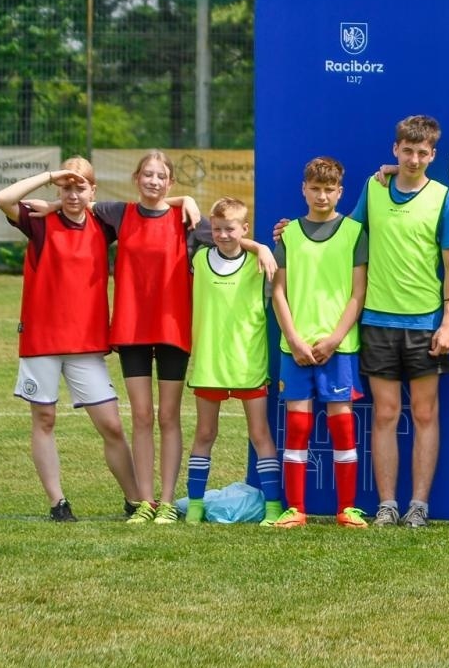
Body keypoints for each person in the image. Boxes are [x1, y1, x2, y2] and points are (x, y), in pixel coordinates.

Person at [0, 160, 143, 521]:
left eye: (81, 188)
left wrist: (185, 201)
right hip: (41, 340)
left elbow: (149, 207)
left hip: (86, 344)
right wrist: (49, 178)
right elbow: (2, 197)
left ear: (93, 192)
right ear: (57, 190)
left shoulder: (103, 224)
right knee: (44, 419)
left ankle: (136, 501)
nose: (73, 194)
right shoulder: (40, 224)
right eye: (66, 188)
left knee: (111, 424)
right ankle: (58, 503)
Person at [350, 115, 449, 528]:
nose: (414, 158)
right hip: (377, 321)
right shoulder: (372, 188)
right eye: (407, 151)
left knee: (424, 414)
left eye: (422, 152)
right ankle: (386, 504)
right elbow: (345, 237)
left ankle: (418, 505)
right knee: (384, 414)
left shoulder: (444, 199)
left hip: (425, 324)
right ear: (395, 150)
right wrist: (293, 231)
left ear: (433, 155)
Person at [94, 152, 199, 524]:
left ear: (170, 182)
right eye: (148, 175)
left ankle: (168, 502)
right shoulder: (118, 213)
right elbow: (75, 202)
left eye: (161, 176)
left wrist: (262, 247)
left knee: (168, 415)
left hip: (172, 330)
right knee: (141, 416)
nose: (154, 181)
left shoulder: (185, 219)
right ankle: (144, 501)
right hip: (132, 328)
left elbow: (229, 230)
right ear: (137, 178)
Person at [268, 157, 370, 529]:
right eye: (315, 188)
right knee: (297, 427)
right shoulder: (288, 234)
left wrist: (336, 337)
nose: (322, 195)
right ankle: (296, 508)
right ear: (304, 190)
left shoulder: (354, 232)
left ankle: (347, 508)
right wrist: (293, 338)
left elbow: (358, 294)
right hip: (295, 348)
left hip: (338, 348)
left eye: (329, 189)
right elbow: (277, 291)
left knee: (342, 426)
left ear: (340, 192)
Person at [183, 198, 283, 525]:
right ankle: (195, 504)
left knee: (260, 434)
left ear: (244, 228)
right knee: (205, 433)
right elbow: (191, 226)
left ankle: (272, 506)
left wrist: (262, 249)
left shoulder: (260, 264)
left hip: (248, 364)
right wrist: (258, 245)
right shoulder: (199, 257)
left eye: (231, 229)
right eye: (217, 229)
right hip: (209, 364)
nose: (224, 235)